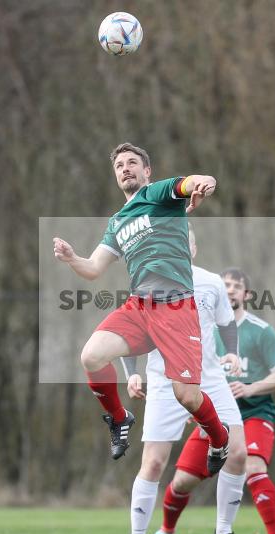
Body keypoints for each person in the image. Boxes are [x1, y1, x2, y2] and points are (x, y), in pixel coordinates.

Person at [52, 143, 228, 474]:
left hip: (176, 308)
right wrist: (72, 257)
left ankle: (220, 439)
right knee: (91, 356)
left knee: (188, 398)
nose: (126, 168)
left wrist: (205, 181)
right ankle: (120, 418)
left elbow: (189, 182)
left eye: (133, 163)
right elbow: (93, 269)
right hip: (140, 307)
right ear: (115, 175)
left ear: (147, 171)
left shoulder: (159, 194)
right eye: (119, 165)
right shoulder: (118, 221)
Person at [121, 226, 251, 534]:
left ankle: (224, 532)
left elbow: (226, 323)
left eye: (185, 241)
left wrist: (232, 352)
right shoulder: (148, 282)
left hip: (209, 380)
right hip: (165, 383)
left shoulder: (211, 283)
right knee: (154, 462)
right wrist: (131, 374)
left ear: (193, 247)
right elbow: (129, 330)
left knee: (238, 453)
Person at [145, 267, 275, 534]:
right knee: (182, 481)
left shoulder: (260, 331)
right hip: (213, 420)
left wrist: (251, 388)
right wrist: (190, 402)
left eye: (236, 286)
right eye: (225, 284)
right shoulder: (205, 330)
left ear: (247, 295)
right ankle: (165, 532)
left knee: (252, 465)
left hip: (254, 415)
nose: (229, 290)